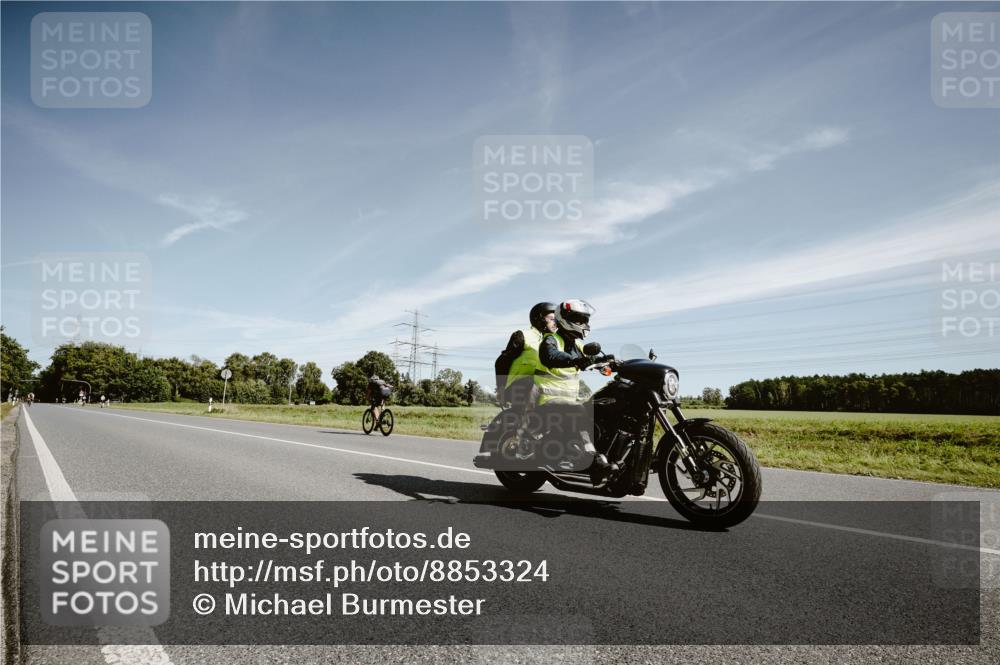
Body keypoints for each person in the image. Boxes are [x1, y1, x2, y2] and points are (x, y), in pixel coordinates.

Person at [535, 299, 613, 483]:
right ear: (566, 319)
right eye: (579, 320)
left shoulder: (577, 346)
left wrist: (611, 361)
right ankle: (591, 459)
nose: (584, 324)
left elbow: (590, 359)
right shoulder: (551, 340)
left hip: (568, 401)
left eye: (585, 320)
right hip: (548, 399)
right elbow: (550, 356)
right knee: (579, 411)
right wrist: (575, 360)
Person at [495, 302, 557, 412]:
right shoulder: (523, 336)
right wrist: (501, 390)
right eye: (552, 319)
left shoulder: (554, 342)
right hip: (518, 388)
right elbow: (502, 362)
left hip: (543, 389)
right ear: (540, 318)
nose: (556, 323)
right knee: (537, 378)